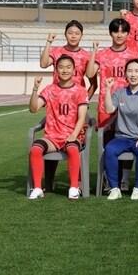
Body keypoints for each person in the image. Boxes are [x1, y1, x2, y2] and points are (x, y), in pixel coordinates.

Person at [27, 55, 89, 200]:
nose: (64, 70)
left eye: (68, 67)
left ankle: (74, 187)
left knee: (73, 149)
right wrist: (35, 89)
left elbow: (82, 117)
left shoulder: (80, 91)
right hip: (52, 138)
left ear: (74, 70)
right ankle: (37, 188)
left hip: (71, 136)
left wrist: (74, 134)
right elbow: (33, 109)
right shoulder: (50, 89)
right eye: (61, 67)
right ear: (56, 70)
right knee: (35, 149)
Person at [102, 59, 138, 200]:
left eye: (136, 71)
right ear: (125, 74)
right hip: (122, 138)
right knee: (109, 150)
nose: (133, 74)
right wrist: (108, 90)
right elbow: (109, 109)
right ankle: (115, 188)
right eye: (130, 71)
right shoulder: (120, 93)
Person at [86, 18, 133, 128]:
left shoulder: (134, 55)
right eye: (116, 31)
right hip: (105, 104)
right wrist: (94, 52)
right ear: (110, 33)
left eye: (123, 32)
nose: (119, 35)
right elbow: (89, 74)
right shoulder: (102, 54)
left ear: (128, 34)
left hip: (128, 105)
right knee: (105, 140)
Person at [40, 19, 96, 97]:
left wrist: (85, 101)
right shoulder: (56, 51)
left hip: (77, 99)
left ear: (81, 36)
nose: (73, 36)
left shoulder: (86, 56)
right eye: (70, 33)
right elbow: (43, 64)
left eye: (77, 34)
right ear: (65, 34)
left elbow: (94, 84)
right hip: (57, 98)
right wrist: (49, 42)